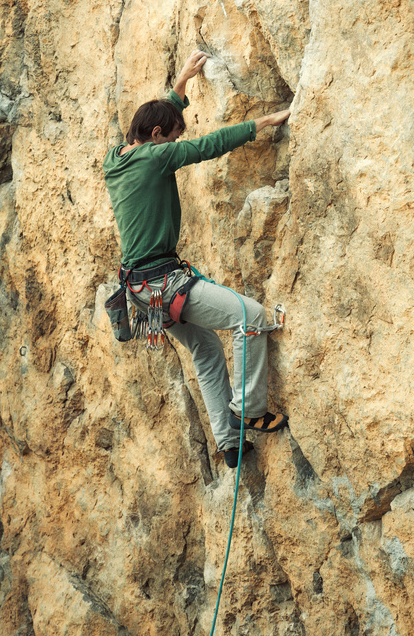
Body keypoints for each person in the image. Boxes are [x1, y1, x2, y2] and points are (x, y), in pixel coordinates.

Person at [103, 50, 290, 467]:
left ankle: (228, 442)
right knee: (251, 316)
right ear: (156, 138)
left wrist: (181, 85)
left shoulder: (113, 160)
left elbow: (151, 124)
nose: (172, 145)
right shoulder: (157, 157)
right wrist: (262, 123)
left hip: (140, 293)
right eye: (168, 138)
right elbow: (209, 146)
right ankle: (249, 412)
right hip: (163, 282)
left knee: (205, 352)